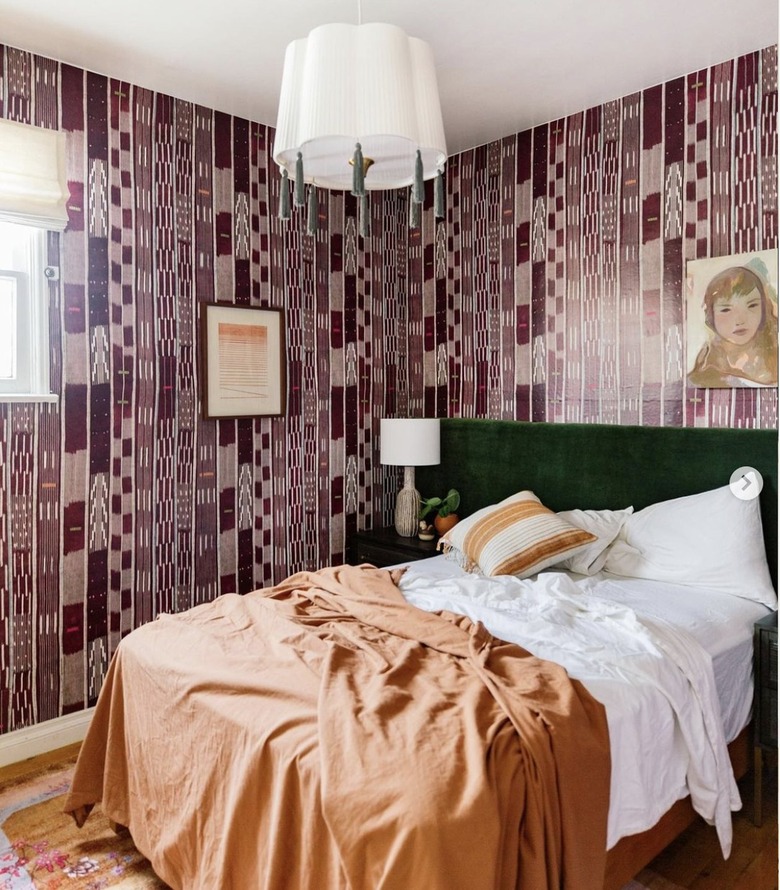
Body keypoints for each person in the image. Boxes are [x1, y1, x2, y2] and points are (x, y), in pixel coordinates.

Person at [687, 264, 778, 387]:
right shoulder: (702, 374)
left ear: (764, 308)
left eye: (752, 306)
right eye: (726, 310)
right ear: (710, 316)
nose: (740, 320)